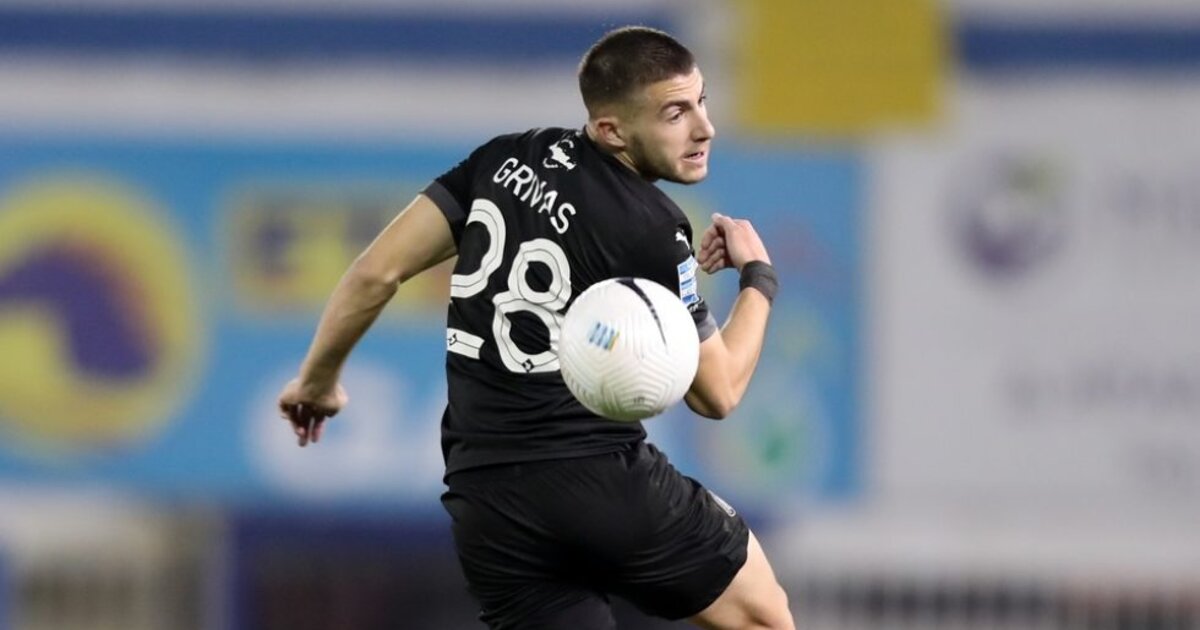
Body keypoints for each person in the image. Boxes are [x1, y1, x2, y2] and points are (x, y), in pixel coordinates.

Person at [277, 25, 793, 630]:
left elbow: (374, 274)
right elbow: (719, 392)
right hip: (600, 485)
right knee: (763, 618)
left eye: (701, 102)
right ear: (611, 131)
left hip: (489, 507)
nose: (705, 128)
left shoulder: (502, 160)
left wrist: (317, 382)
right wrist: (758, 277)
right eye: (675, 113)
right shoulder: (652, 229)